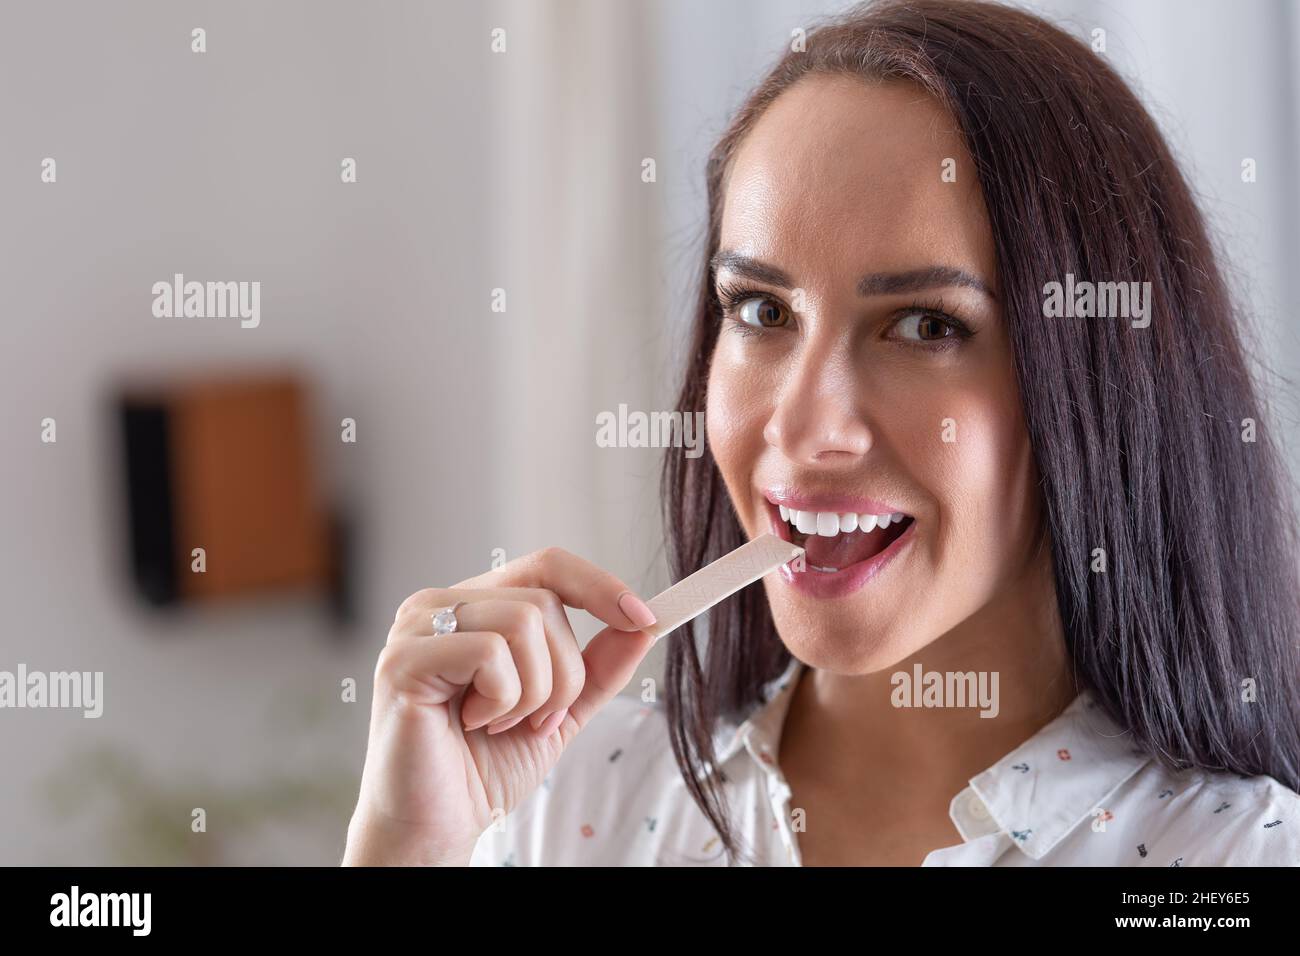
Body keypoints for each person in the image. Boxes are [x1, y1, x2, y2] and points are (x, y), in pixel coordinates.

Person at [342, 0, 1300, 867]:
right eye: (761, 311)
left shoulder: (1225, 867)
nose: (802, 429)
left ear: (1102, 380)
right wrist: (409, 846)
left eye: (927, 326)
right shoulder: (564, 806)